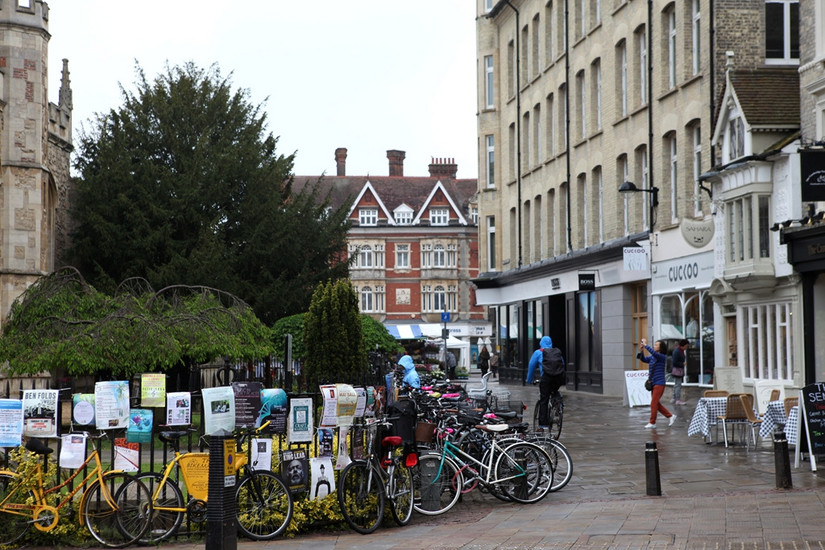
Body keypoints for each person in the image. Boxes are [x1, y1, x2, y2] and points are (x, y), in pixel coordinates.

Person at [526, 336, 566, 429]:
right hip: (559, 378)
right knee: (554, 390)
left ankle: (543, 424)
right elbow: (562, 364)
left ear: (541, 343)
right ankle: (557, 402)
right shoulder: (557, 352)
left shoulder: (538, 352)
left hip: (546, 378)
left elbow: (531, 366)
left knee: (544, 399)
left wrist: (529, 380)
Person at [638, 338, 676, 429]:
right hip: (653, 382)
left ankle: (652, 422)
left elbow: (653, 353)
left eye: (656, 345)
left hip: (660, 383)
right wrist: (641, 351)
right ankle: (670, 416)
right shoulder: (653, 357)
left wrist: (646, 345)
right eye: (654, 345)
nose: (654, 346)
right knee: (656, 404)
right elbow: (643, 359)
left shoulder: (662, 356)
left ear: (660, 348)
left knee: (654, 403)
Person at [671, 339, 688, 405]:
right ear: (683, 345)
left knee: (676, 384)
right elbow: (674, 362)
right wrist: (682, 364)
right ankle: (677, 399)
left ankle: (674, 398)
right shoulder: (677, 351)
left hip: (679, 370)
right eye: (686, 345)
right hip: (678, 371)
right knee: (678, 385)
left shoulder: (680, 351)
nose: (687, 347)